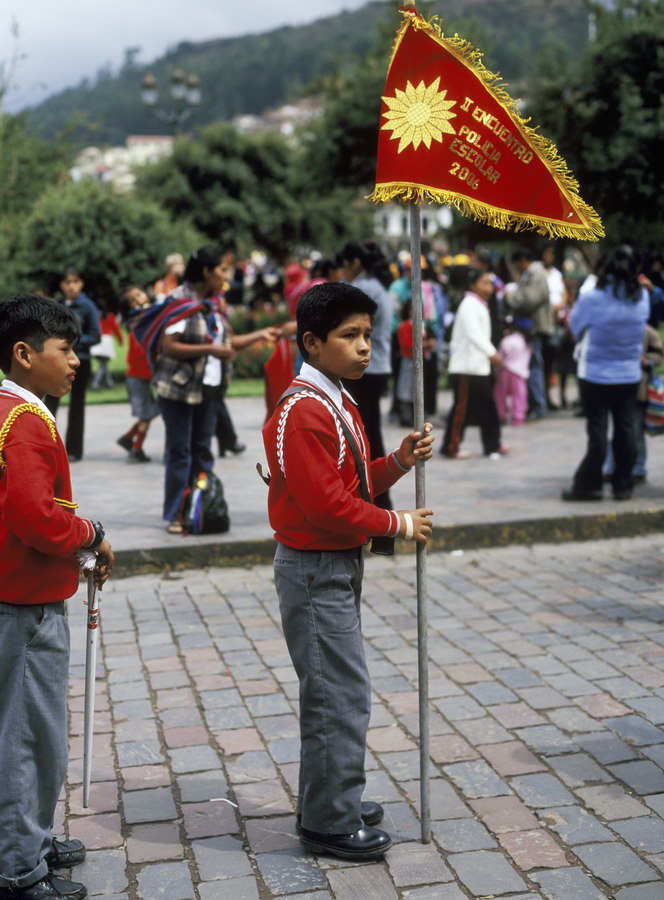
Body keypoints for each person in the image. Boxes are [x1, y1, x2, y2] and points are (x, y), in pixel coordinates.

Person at [262, 281, 434, 861]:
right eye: (349, 335)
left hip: (336, 563)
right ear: (313, 342)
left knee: (337, 688)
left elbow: (352, 482)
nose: (364, 347)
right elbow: (327, 507)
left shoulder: (336, 397)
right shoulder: (302, 411)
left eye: (367, 335)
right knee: (337, 694)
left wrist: (398, 462)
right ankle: (328, 822)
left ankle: (331, 797)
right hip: (314, 568)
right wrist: (398, 523)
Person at [0, 294, 114, 900]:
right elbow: (35, 517)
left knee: (25, 730)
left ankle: (30, 838)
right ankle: (19, 867)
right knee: (28, 737)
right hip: (24, 601)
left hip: (18, 591)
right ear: (24, 354)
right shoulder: (23, 420)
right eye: (65, 349)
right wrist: (89, 534)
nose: (75, 362)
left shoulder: (12, 409)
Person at [145, 246, 276, 533]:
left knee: (203, 451)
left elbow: (228, 341)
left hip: (210, 388)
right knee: (180, 451)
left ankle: (201, 508)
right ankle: (176, 514)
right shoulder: (180, 300)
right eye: (222, 269)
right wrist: (210, 350)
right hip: (179, 388)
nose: (226, 275)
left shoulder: (214, 303)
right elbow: (169, 346)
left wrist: (260, 334)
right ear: (206, 271)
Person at [562, 245, 649, 502]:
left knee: (598, 433)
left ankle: (590, 485)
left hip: (595, 374)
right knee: (625, 430)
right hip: (629, 374)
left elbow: (575, 328)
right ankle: (623, 485)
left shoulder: (592, 298)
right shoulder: (641, 297)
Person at [338, 241, 394, 550]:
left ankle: (380, 523)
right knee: (368, 439)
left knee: (366, 443)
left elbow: (340, 323)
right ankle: (379, 521)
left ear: (356, 262)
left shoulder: (365, 288)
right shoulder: (374, 285)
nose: (342, 271)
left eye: (345, 264)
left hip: (366, 370)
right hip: (375, 368)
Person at [442, 268, 505, 459]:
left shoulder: (478, 304)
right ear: (472, 285)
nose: (488, 288)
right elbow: (473, 333)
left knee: (486, 407)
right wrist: (491, 353)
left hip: (477, 367)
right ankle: (451, 446)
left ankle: (493, 444)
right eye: (484, 283)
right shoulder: (469, 304)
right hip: (466, 367)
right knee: (462, 408)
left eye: (489, 283)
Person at [44, 270, 101, 461]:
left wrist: (70, 342)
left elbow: (96, 336)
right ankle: (45, 446)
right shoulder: (57, 305)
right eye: (67, 282)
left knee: (77, 406)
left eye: (75, 282)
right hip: (56, 361)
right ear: (62, 285)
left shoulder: (87, 306)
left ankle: (74, 450)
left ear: (81, 284)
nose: (71, 286)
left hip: (80, 361)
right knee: (49, 404)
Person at [504, 248, 552, 420]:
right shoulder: (529, 275)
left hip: (534, 328)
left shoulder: (536, 275)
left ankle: (538, 406)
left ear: (523, 260)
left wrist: (509, 298)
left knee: (533, 367)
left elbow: (529, 300)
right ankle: (534, 405)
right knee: (531, 366)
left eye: (516, 264)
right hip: (529, 328)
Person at [116, 286, 159, 462]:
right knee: (147, 414)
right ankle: (136, 448)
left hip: (141, 377)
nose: (138, 300)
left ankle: (128, 437)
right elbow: (140, 352)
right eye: (132, 301)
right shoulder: (138, 326)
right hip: (138, 376)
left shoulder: (148, 319)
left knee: (150, 411)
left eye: (139, 295)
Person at [494, 320, 532, 426]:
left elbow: (500, 357)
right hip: (520, 372)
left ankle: (500, 415)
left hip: (505, 370)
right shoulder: (526, 342)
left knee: (500, 395)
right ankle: (518, 417)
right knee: (519, 396)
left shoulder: (507, 340)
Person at [90, 303, 123, 390]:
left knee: (103, 364)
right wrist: (120, 340)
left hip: (97, 340)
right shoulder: (110, 316)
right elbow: (116, 329)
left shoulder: (95, 315)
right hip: (106, 341)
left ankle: (110, 383)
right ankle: (95, 383)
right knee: (103, 364)